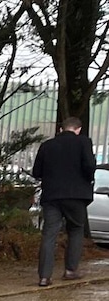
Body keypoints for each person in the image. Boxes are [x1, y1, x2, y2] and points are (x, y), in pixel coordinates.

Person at [31, 115, 97, 286]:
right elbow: (90, 165)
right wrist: (86, 179)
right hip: (76, 195)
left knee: (49, 234)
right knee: (75, 230)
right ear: (78, 129)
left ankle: (44, 276)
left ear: (60, 129)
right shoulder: (84, 142)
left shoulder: (47, 145)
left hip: (52, 196)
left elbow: (36, 171)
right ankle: (70, 270)